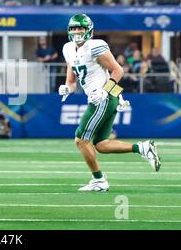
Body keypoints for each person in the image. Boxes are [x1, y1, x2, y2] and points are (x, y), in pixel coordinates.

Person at [58, 14, 161, 192]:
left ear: (88, 30)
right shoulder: (68, 49)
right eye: (74, 28)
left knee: (81, 140)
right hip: (99, 97)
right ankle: (142, 148)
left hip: (105, 97)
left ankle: (99, 181)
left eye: (80, 28)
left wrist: (104, 91)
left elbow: (118, 70)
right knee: (101, 144)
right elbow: (72, 81)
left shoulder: (94, 46)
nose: (77, 31)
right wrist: (67, 88)